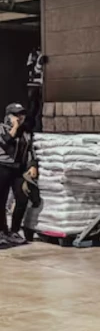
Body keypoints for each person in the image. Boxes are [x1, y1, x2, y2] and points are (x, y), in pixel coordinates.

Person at [0, 103, 36, 245]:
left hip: (18, 169)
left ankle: (14, 230)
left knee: (22, 198)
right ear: (8, 116)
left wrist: (33, 165)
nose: (20, 118)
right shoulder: (2, 128)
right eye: (16, 115)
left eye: (21, 114)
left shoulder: (26, 133)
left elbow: (31, 151)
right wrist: (14, 127)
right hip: (2, 167)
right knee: (1, 201)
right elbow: (7, 143)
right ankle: (2, 231)